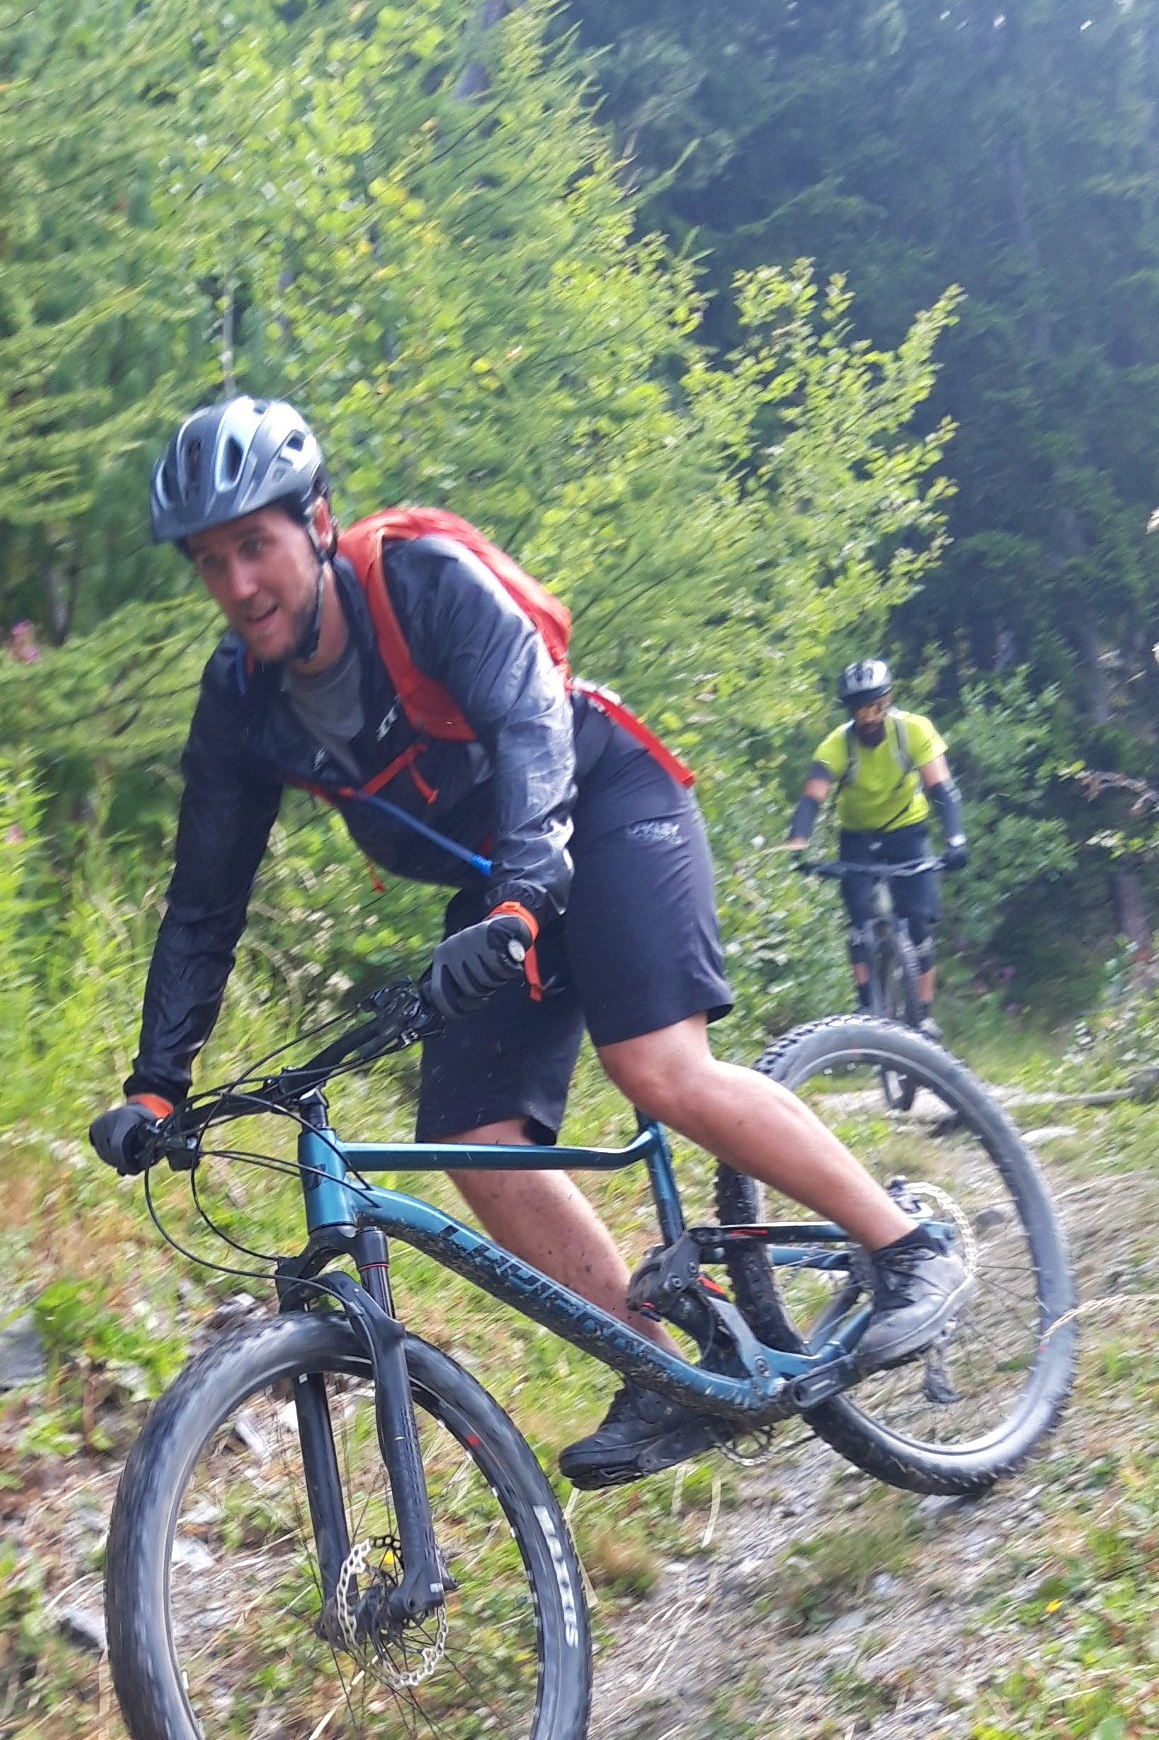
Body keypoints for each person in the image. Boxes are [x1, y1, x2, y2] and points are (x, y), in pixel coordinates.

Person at [89, 399, 972, 1488]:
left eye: (254, 546)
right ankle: (660, 1373)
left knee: (656, 1067)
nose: (238, 585)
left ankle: (907, 1250)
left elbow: (528, 723)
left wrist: (519, 900)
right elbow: (204, 900)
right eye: (210, 563)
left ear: (315, 522)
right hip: (497, 876)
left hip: (601, 797)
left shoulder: (419, 582)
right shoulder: (241, 701)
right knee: (471, 1137)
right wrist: (159, 1084)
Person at [786, 659, 968, 1039]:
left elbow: (941, 788)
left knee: (919, 921)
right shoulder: (836, 745)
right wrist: (798, 846)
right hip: (858, 835)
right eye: (859, 709)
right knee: (858, 919)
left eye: (876, 706)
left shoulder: (914, 730)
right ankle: (866, 1003)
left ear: (888, 702)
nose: (868, 717)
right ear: (850, 711)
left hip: (907, 829)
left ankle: (923, 1014)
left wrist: (955, 839)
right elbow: (812, 798)